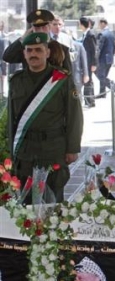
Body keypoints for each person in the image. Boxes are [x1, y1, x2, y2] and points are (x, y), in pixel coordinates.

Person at [8, 32, 83, 203]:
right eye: (29, 50)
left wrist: (72, 148)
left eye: (38, 50)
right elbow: (12, 121)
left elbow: (74, 116)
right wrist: (12, 151)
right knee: (25, 205)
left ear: (47, 53)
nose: (34, 54)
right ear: (24, 54)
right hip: (25, 151)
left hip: (52, 150)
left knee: (53, 204)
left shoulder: (61, 79)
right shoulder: (16, 81)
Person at [3, 9, 72, 72]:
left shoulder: (62, 49)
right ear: (32, 28)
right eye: (37, 27)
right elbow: (7, 57)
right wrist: (22, 39)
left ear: (50, 26)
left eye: (44, 26)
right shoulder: (27, 48)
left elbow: (68, 77)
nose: (41, 30)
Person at [95, 18, 115, 99]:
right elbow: (114, 47)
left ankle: (114, 86)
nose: (98, 25)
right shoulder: (111, 34)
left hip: (102, 59)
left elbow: (99, 48)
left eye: (99, 24)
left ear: (103, 23)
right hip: (109, 58)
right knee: (103, 75)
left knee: (100, 76)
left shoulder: (102, 34)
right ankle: (102, 93)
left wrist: (95, 59)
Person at [79, 16, 97, 107]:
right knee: (88, 80)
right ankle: (89, 100)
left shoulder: (90, 34)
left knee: (88, 81)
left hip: (90, 61)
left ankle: (90, 101)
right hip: (86, 60)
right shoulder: (85, 34)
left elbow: (94, 50)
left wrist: (94, 63)